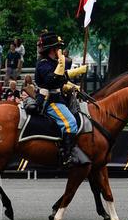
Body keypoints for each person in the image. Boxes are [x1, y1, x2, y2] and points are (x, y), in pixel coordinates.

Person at [34, 31, 88, 167]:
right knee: (70, 123)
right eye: (58, 48)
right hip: (50, 101)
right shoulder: (43, 63)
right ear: (52, 49)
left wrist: (76, 78)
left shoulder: (52, 62)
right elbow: (51, 80)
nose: (60, 50)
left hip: (59, 98)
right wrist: (62, 61)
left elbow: (61, 78)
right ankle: (67, 155)